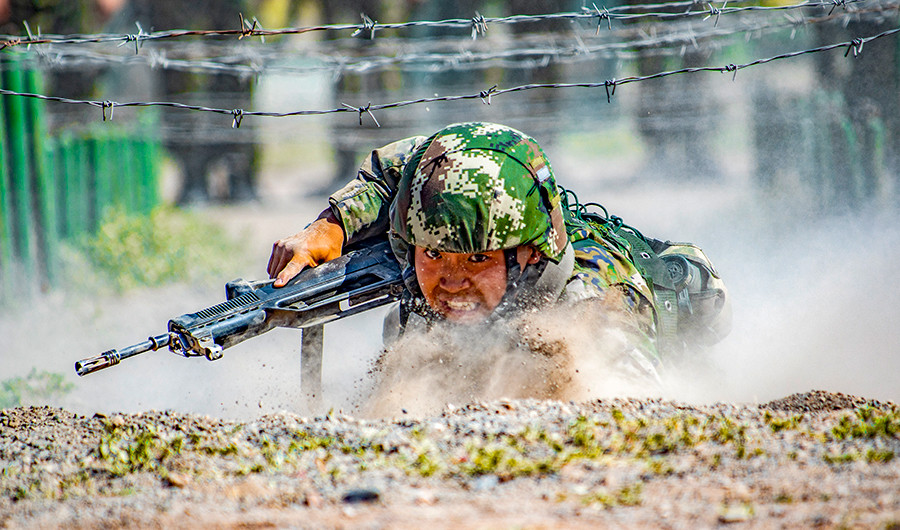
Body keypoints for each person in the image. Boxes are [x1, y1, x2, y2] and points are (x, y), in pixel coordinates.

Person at [267, 122, 730, 383]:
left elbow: (636, 410)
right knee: (409, 330)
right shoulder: (434, 187)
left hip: (640, 294)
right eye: (433, 254)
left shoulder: (594, 306)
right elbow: (412, 160)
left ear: (527, 254)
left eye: (475, 259)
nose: (450, 280)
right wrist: (330, 226)